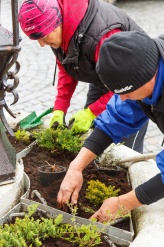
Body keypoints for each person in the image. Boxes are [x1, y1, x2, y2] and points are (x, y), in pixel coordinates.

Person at [56, 30, 164, 222]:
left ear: (148, 77)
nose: (122, 98)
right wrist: (76, 167)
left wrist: (124, 203)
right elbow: (116, 118)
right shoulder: (142, 66)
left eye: (126, 92)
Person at [18, 0, 148, 153]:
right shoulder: (59, 31)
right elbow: (66, 66)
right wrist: (60, 108)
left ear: (57, 23)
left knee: (124, 148)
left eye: (44, 37)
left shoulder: (102, 36)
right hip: (102, 77)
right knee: (93, 138)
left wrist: (92, 112)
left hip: (136, 86)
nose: (42, 44)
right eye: (37, 39)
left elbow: (126, 86)